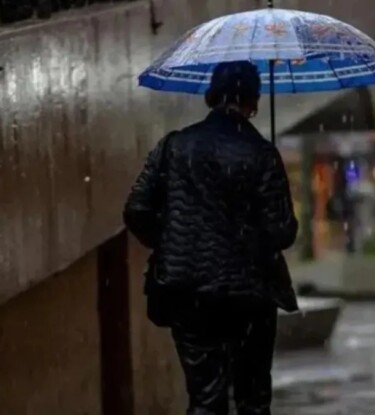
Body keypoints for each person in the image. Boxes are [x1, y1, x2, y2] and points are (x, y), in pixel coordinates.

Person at [124, 61, 298, 415]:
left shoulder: (174, 146)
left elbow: (136, 209)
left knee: (205, 398)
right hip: (249, 293)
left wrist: (173, 243)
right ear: (253, 102)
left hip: (189, 291)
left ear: (211, 96)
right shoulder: (262, 154)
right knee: (253, 399)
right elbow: (281, 232)